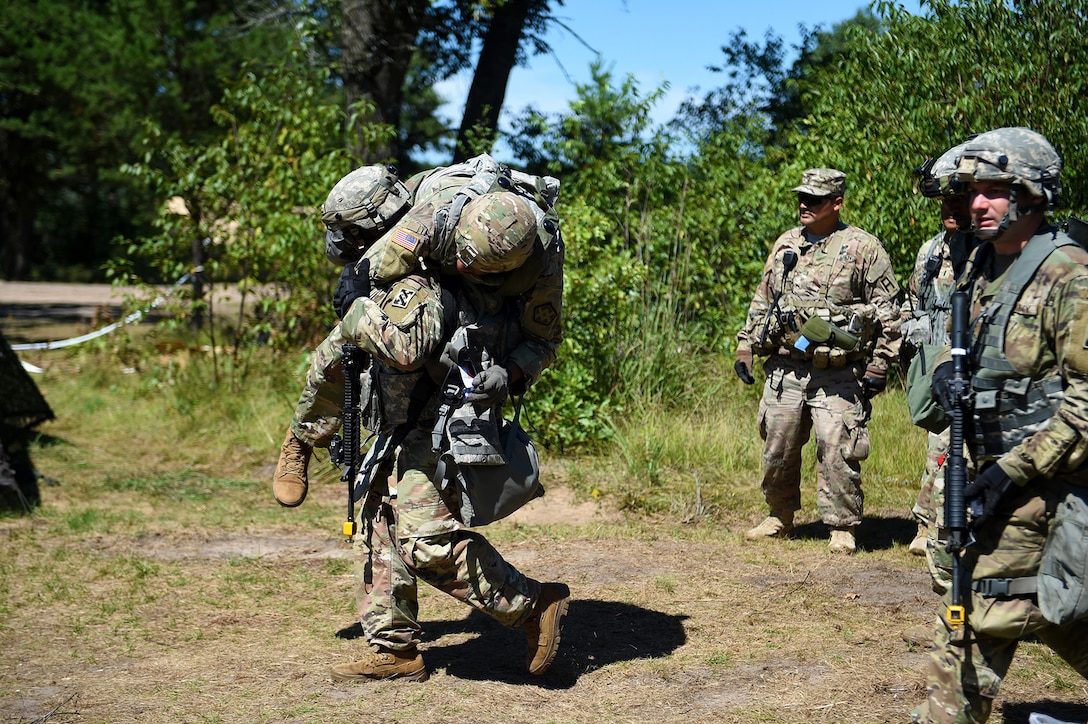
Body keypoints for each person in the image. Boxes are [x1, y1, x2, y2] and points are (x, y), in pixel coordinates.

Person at [911, 127, 1088, 723]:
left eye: (993, 190)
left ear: (1032, 194)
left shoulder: (1070, 274)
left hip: (1046, 488)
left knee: (981, 616)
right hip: (989, 477)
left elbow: (1086, 406)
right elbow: (960, 349)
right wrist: (942, 375)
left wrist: (1011, 473)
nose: (976, 203)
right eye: (971, 191)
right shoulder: (981, 267)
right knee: (1039, 612)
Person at [734, 168, 901, 554]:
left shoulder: (863, 248)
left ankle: (841, 526)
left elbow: (890, 313)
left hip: (838, 373)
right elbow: (765, 299)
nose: (804, 205)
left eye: (815, 199)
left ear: (837, 203)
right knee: (778, 446)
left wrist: (880, 364)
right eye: (801, 197)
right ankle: (779, 516)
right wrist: (746, 346)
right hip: (785, 369)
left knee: (837, 446)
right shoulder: (787, 243)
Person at [901, 141, 977, 568]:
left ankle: (933, 527)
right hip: (935, 357)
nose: (950, 207)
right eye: (945, 199)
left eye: (958, 198)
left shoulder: (988, 250)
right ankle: (927, 523)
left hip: (969, 357)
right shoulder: (931, 251)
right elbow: (915, 298)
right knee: (938, 438)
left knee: (952, 442)